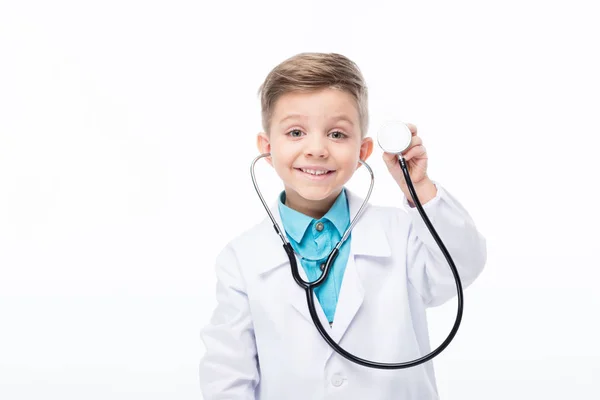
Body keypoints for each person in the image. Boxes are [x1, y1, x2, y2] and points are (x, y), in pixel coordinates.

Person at [199, 52, 487, 399]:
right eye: (295, 132)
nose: (317, 149)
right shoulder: (241, 260)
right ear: (267, 147)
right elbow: (227, 376)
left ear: (363, 150)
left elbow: (463, 265)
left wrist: (419, 187)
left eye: (337, 134)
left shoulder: (402, 233)